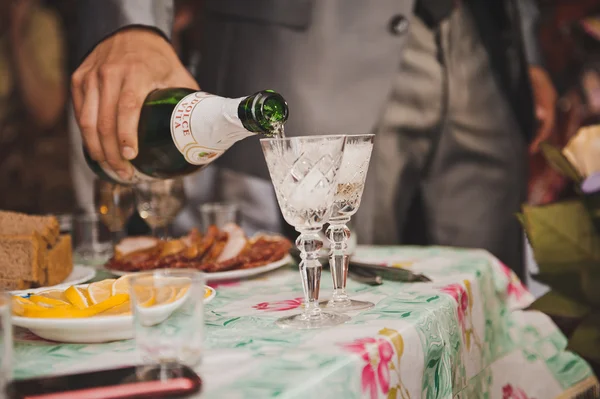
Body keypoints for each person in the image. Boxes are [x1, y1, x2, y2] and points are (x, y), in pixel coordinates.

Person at [70, 0, 556, 280]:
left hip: (486, 48)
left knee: (483, 300)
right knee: (312, 306)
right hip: (306, 49)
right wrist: (129, 25)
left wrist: (529, 51)